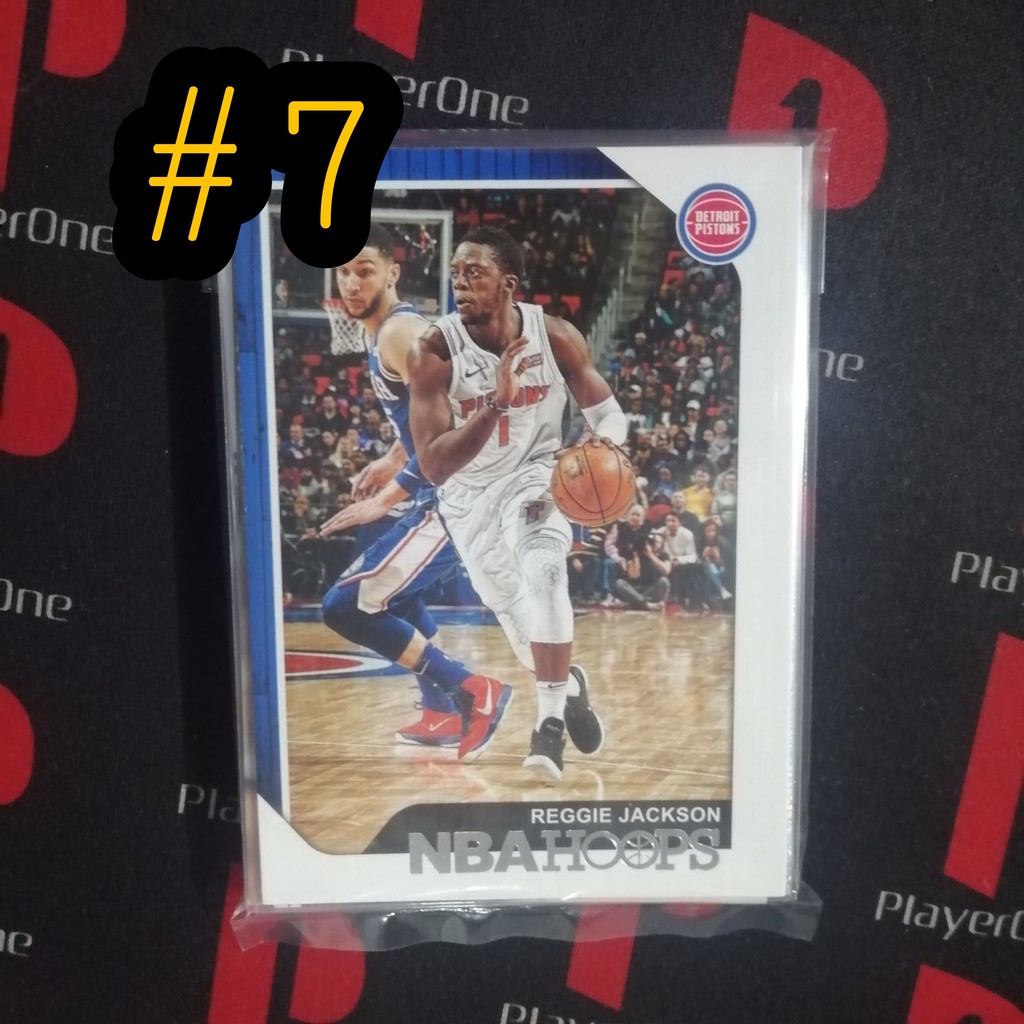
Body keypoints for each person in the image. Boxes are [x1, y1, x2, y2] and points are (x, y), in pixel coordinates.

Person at [408, 226, 624, 780]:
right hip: (467, 495)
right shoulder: (433, 351)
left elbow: (609, 415)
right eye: (455, 273)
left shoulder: (555, 337)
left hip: (535, 475)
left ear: (508, 283)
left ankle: (547, 724)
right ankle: (569, 686)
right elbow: (433, 466)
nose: (459, 283)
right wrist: (496, 405)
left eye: (473, 273)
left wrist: (598, 450)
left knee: (546, 570)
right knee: (514, 611)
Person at [316, 225, 512, 762]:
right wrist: (394, 457)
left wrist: (387, 496)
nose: (351, 282)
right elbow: (431, 413)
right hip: (453, 492)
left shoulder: (399, 334)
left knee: (343, 607)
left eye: (364, 269)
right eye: (343, 272)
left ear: (393, 272)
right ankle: (442, 709)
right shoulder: (391, 333)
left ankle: (472, 690)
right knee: (397, 599)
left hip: (462, 496)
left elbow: (462, 417)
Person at [613, 531, 671, 610]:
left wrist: (651, 555)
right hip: (635, 589)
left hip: (651, 589)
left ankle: (632, 604)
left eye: (657, 542)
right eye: (651, 541)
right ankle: (646, 605)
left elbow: (666, 570)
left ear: (662, 544)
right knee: (619, 583)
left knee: (664, 581)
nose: (653, 544)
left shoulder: (664, 555)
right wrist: (636, 557)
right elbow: (634, 575)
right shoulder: (637, 554)